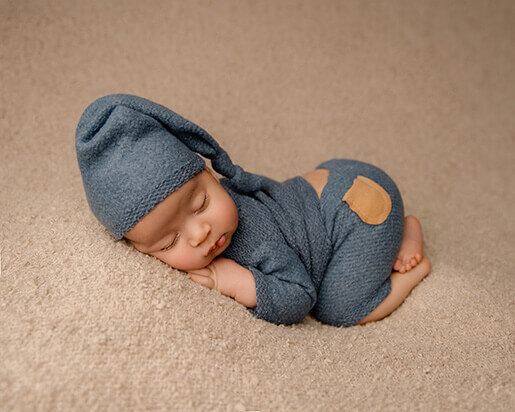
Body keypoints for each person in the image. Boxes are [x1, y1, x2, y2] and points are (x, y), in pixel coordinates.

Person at [75, 94, 431, 327]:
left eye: (201, 204)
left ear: (212, 175)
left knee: (338, 309)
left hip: (357, 209)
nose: (201, 234)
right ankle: (399, 231)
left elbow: (298, 295)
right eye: (169, 242)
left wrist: (234, 281)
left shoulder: (254, 239)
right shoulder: (212, 208)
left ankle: (406, 247)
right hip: (333, 177)